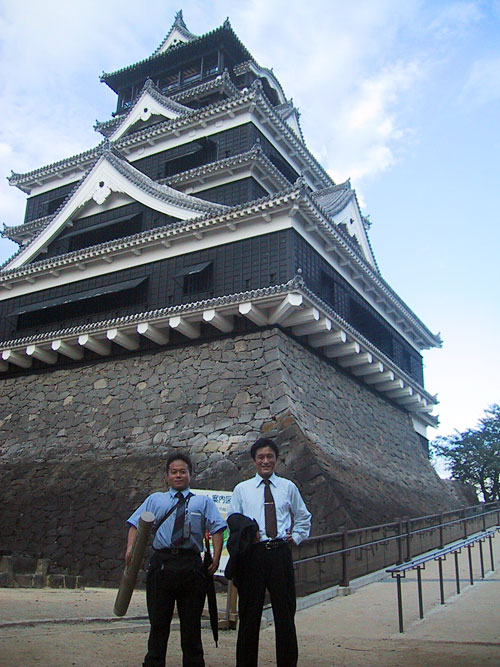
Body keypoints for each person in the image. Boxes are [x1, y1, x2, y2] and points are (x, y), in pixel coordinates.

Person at [126, 452, 226, 667]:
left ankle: (194, 663)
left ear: (191, 474)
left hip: (191, 565)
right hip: (162, 564)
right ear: (167, 476)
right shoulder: (155, 499)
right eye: (174, 472)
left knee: (191, 625)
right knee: (158, 623)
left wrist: (216, 558)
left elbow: (217, 528)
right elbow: (136, 524)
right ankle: (154, 662)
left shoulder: (203, 502)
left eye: (183, 471)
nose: (178, 476)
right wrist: (130, 549)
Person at [228, 437, 311, 667]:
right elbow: (233, 520)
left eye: (270, 457)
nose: (265, 461)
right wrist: (247, 534)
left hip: (279, 553)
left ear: (276, 459)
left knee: (285, 614)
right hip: (252, 557)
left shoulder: (288, 487)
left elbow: (303, 516)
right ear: (254, 460)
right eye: (261, 457)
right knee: (249, 616)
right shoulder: (242, 490)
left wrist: (296, 536)